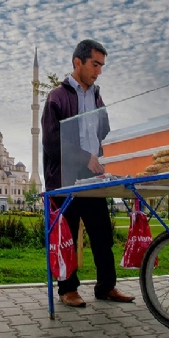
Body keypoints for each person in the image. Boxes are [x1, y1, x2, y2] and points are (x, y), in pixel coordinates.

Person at [41, 39, 135, 308]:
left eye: (102, 65)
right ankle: (67, 290)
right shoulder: (56, 97)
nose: (99, 71)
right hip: (66, 178)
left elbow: (104, 131)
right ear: (77, 62)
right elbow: (51, 141)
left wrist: (111, 157)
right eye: (95, 64)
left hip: (94, 177)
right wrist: (85, 157)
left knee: (102, 235)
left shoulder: (97, 97)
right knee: (67, 236)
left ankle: (106, 287)